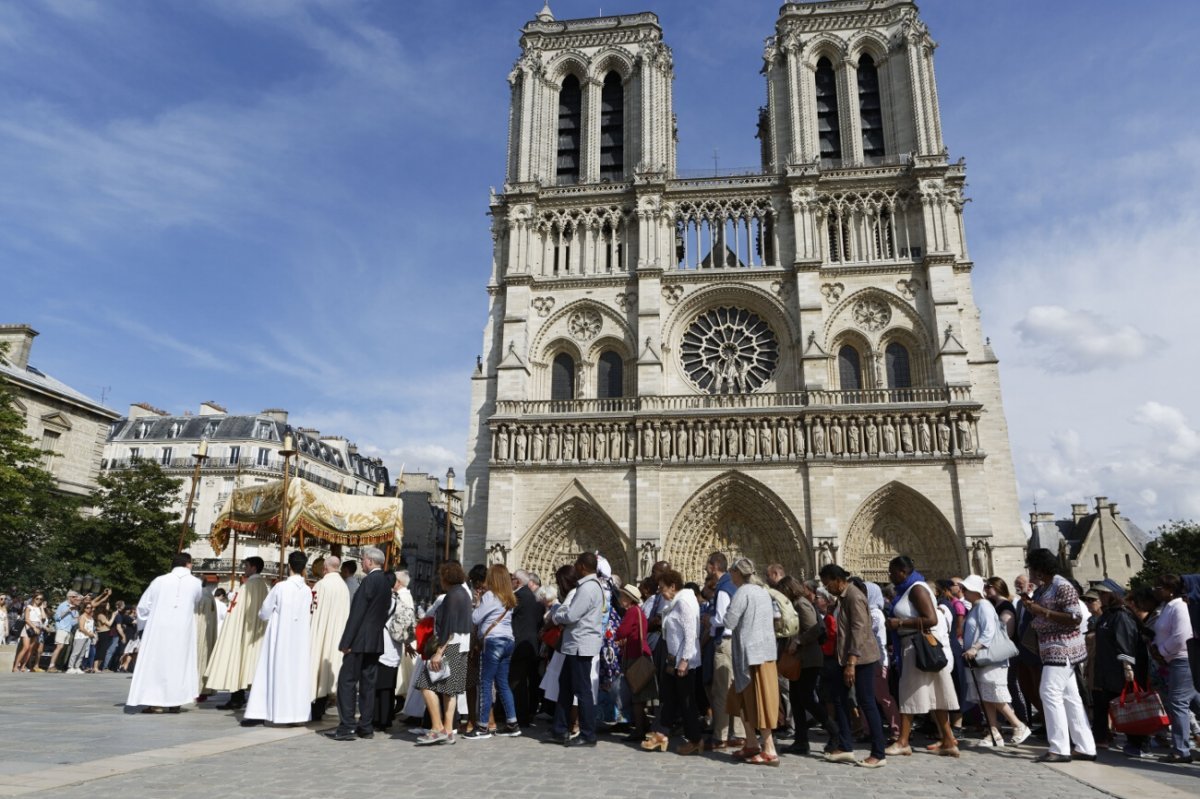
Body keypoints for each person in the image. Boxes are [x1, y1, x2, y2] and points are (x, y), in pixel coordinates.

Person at [1022, 548, 1095, 763]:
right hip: (1053, 648)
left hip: (1061, 648)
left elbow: (1074, 617)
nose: (1030, 572)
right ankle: (1084, 746)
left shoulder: (1062, 586)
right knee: (1069, 697)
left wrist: (1041, 611)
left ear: (1041, 568)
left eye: (1032, 568)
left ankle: (1059, 747)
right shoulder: (1047, 586)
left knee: (1049, 692)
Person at [884, 555, 959, 757]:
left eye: (892, 571)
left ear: (902, 571)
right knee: (937, 695)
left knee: (908, 693)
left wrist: (899, 623)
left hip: (918, 648)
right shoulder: (911, 588)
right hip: (920, 647)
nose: (889, 575)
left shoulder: (916, 588)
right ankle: (949, 741)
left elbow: (931, 619)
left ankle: (903, 742)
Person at [818, 565, 886, 768]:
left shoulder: (854, 596)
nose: (826, 588)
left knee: (866, 702)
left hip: (860, 658)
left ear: (837, 579)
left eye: (827, 583)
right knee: (840, 700)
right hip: (845, 657)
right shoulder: (842, 598)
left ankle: (878, 753)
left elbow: (859, 629)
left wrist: (852, 662)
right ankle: (846, 746)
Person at [126, 553, 204, 713]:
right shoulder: (196, 583)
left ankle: (155, 703)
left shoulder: (159, 581)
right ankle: (176, 701)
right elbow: (197, 600)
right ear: (188, 564)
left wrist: (143, 627)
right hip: (183, 629)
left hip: (158, 629)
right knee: (179, 664)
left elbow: (143, 607)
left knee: (157, 663)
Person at [327, 546, 391, 741]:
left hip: (359, 640)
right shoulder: (385, 583)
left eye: (363, 560)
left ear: (370, 561)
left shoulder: (369, 581)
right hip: (375, 640)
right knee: (368, 684)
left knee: (346, 682)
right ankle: (366, 725)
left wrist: (346, 641)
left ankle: (347, 726)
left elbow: (357, 613)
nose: (361, 563)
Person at [243, 551, 313, 727]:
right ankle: (297, 715)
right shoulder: (307, 590)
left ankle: (274, 713)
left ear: (289, 566)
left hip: (280, 637)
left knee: (274, 671)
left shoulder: (281, 587)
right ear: (304, 568)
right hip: (299, 639)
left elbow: (265, 612)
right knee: (297, 675)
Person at [959, 574, 1029, 747]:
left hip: (988, 659)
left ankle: (1018, 725)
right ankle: (994, 732)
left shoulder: (983, 606)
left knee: (995, 695)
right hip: (978, 660)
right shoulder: (976, 607)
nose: (963, 592)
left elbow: (989, 631)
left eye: (966, 589)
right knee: (986, 696)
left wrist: (975, 647)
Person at [546, 552, 607, 748]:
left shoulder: (587, 588)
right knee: (565, 686)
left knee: (582, 691)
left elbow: (571, 615)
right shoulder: (592, 586)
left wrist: (558, 614)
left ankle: (588, 734)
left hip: (580, 645)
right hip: (575, 645)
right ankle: (559, 729)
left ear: (582, 566)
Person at [723, 557, 780, 766]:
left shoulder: (743, 593)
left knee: (759, 701)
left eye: (732, 572)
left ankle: (769, 750)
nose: (730, 575)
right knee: (741, 700)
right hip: (765, 651)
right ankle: (751, 743)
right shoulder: (763, 591)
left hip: (751, 655)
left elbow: (729, 620)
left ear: (738, 573)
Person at [642, 569, 703, 755]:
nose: (660, 591)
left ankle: (695, 740)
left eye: (662, 587)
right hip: (673, 660)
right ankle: (662, 734)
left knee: (686, 702)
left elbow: (690, 633)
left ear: (673, 586)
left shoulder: (683, 603)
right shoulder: (676, 603)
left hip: (683, 662)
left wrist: (684, 660)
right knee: (668, 698)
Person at [413, 561, 473, 745]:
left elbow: (448, 626)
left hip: (450, 646)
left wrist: (439, 651)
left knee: (425, 684)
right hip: (462, 645)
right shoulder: (464, 594)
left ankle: (437, 727)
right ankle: (448, 731)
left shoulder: (452, 596)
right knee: (450, 690)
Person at [465, 563, 521, 740]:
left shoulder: (490, 596)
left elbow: (475, 618)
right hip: (508, 640)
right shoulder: (508, 597)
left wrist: (477, 602)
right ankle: (512, 723)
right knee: (503, 683)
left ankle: (482, 726)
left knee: (485, 682)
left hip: (493, 641)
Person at [205, 557, 270, 709]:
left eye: (246, 566)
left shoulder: (249, 585)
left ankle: (236, 698)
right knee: (247, 663)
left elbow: (238, 607)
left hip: (243, 629)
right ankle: (240, 697)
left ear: (253, 568)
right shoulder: (262, 585)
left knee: (239, 661)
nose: (244, 568)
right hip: (254, 629)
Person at [781, 577, 832, 755]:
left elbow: (815, 628)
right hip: (800, 660)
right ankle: (801, 741)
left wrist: (798, 641)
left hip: (808, 659)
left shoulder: (801, 604)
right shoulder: (798, 603)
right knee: (796, 700)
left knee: (807, 699)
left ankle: (835, 732)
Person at [1152, 573, 1199, 764]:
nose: (1155, 590)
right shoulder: (1168, 607)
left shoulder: (1179, 606)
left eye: (1159, 587)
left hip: (1182, 660)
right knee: (1194, 702)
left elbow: (1182, 636)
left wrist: (1161, 651)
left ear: (1170, 590)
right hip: (1175, 661)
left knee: (1178, 702)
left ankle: (1181, 750)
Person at [703, 551, 746, 751]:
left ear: (714, 566)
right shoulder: (736, 586)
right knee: (735, 689)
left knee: (720, 692)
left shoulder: (721, 590)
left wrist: (708, 620)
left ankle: (720, 737)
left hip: (724, 643)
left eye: (708, 566)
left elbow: (721, 619)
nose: (706, 569)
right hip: (736, 643)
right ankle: (738, 734)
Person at [1089, 582, 1138, 750]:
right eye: (1100, 594)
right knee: (1100, 704)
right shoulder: (1106, 615)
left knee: (1125, 704)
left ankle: (1136, 740)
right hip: (1103, 668)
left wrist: (1127, 666)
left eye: (1104, 594)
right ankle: (1101, 737)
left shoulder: (1121, 616)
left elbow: (1124, 641)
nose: (1101, 597)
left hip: (1117, 669)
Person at [309, 555, 350, 722]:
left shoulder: (321, 584)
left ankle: (314, 708)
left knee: (317, 670)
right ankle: (324, 704)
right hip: (337, 635)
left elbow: (313, 610)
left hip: (320, 633)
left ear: (325, 568)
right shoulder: (343, 586)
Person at [614, 582, 653, 741]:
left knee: (636, 694)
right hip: (640, 652)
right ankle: (643, 725)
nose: (620, 599)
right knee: (639, 693)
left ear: (629, 599)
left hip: (635, 655)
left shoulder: (631, 612)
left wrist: (619, 634)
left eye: (623, 596)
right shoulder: (639, 611)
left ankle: (639, 729)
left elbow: (622, 631)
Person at [509, 569, 543, 727]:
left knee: (517, 682)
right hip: (532, 644)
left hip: (520, 644)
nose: (510, 581)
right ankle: (529, 713)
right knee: (529, 682)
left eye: (512, 578)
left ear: (517, 581)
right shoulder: (535, 597)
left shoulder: (519, 596)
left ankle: (519, 716)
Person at [48, 590, 80, 672]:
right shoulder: (63, 605)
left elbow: (72, 622)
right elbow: (56, 617)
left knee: (63, 648)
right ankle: (51, 666)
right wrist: (68, 610)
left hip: (67, 629)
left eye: (76, 597)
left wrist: (78, 619)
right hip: (61, 629)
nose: (76, 598)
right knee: (59, 647)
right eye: (74, 597)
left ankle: (56, 665)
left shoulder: (74, 608)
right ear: (69, 597)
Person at [14, 593, 46, 672]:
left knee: (31, 649)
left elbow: (44, 619)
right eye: (37, 598)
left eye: (41, 599)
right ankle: (15, 666)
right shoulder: (29, 607)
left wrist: (42, 608)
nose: (39, 600)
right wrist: (34, 627)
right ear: (33, 599)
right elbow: (27, 619)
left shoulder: (39, 608)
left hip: (37, 628)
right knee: (26, 647)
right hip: (29, 627)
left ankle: (23, 666)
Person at [67, 600, 96, 674]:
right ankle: (70, 667)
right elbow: (81, 628)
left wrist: (91, 634)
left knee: (82, 653)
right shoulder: (82, 617)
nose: (89, 609)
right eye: (87, 608)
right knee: (76, 652)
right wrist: (89, 634)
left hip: (87, 637)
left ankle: (77, 666)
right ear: (84, 608)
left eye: (90, 608)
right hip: (80, 636)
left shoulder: (91, 617)